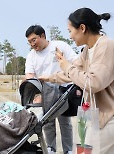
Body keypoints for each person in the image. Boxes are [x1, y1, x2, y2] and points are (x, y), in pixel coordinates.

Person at [38, 8, 114, 154]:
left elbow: (94, 83)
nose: (70, 36)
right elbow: (73, 73)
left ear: (82, 28)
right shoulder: (88, 50)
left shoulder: (106, 46)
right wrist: (48, 78)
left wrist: (66, 65)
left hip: (107, 119)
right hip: (92, 117)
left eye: (70, 31)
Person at [25, 25, 79, 154]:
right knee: (47, 121)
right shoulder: (31, 56)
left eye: (34, 40)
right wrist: (37, 92)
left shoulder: (60, 46)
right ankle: (51, 148)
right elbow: (30, 75)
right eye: (29, 42)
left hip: (63, 89)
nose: (32, 44)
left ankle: (68, 150)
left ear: (43, 36)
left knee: (65, 121)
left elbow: (76, 61)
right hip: (45, 91)